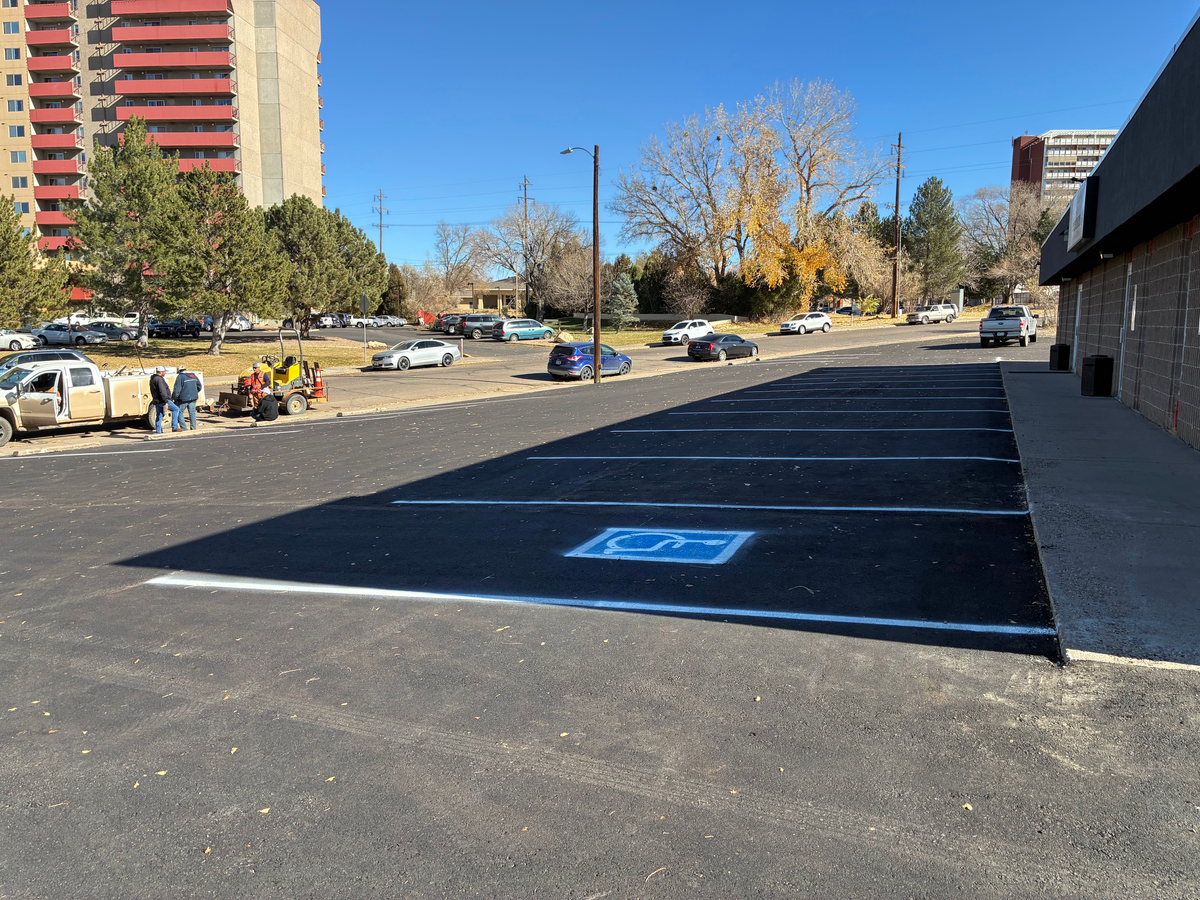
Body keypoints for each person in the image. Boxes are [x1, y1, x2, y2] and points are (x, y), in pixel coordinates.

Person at [149, 365, 181, 434]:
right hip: (162, 400)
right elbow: (162, 391)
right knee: (176, 409)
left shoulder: (152, 379)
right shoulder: (159, 379)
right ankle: (174, 426)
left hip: (157, 400)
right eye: (164, 371)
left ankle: (158, 430)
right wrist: (166, 401)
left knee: (159, 415)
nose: (165, 373)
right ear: (161, 372)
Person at [171, 366, 202, 431]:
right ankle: (193, 428)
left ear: (179, 371)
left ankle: (184, 428)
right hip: (193, 398)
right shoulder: (193, 376)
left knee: (179, 412)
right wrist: (195, 392)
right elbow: (199, 386)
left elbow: (177, 390)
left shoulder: (180, 377)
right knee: (192, 413)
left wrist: (174, 398)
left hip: (183, 399)